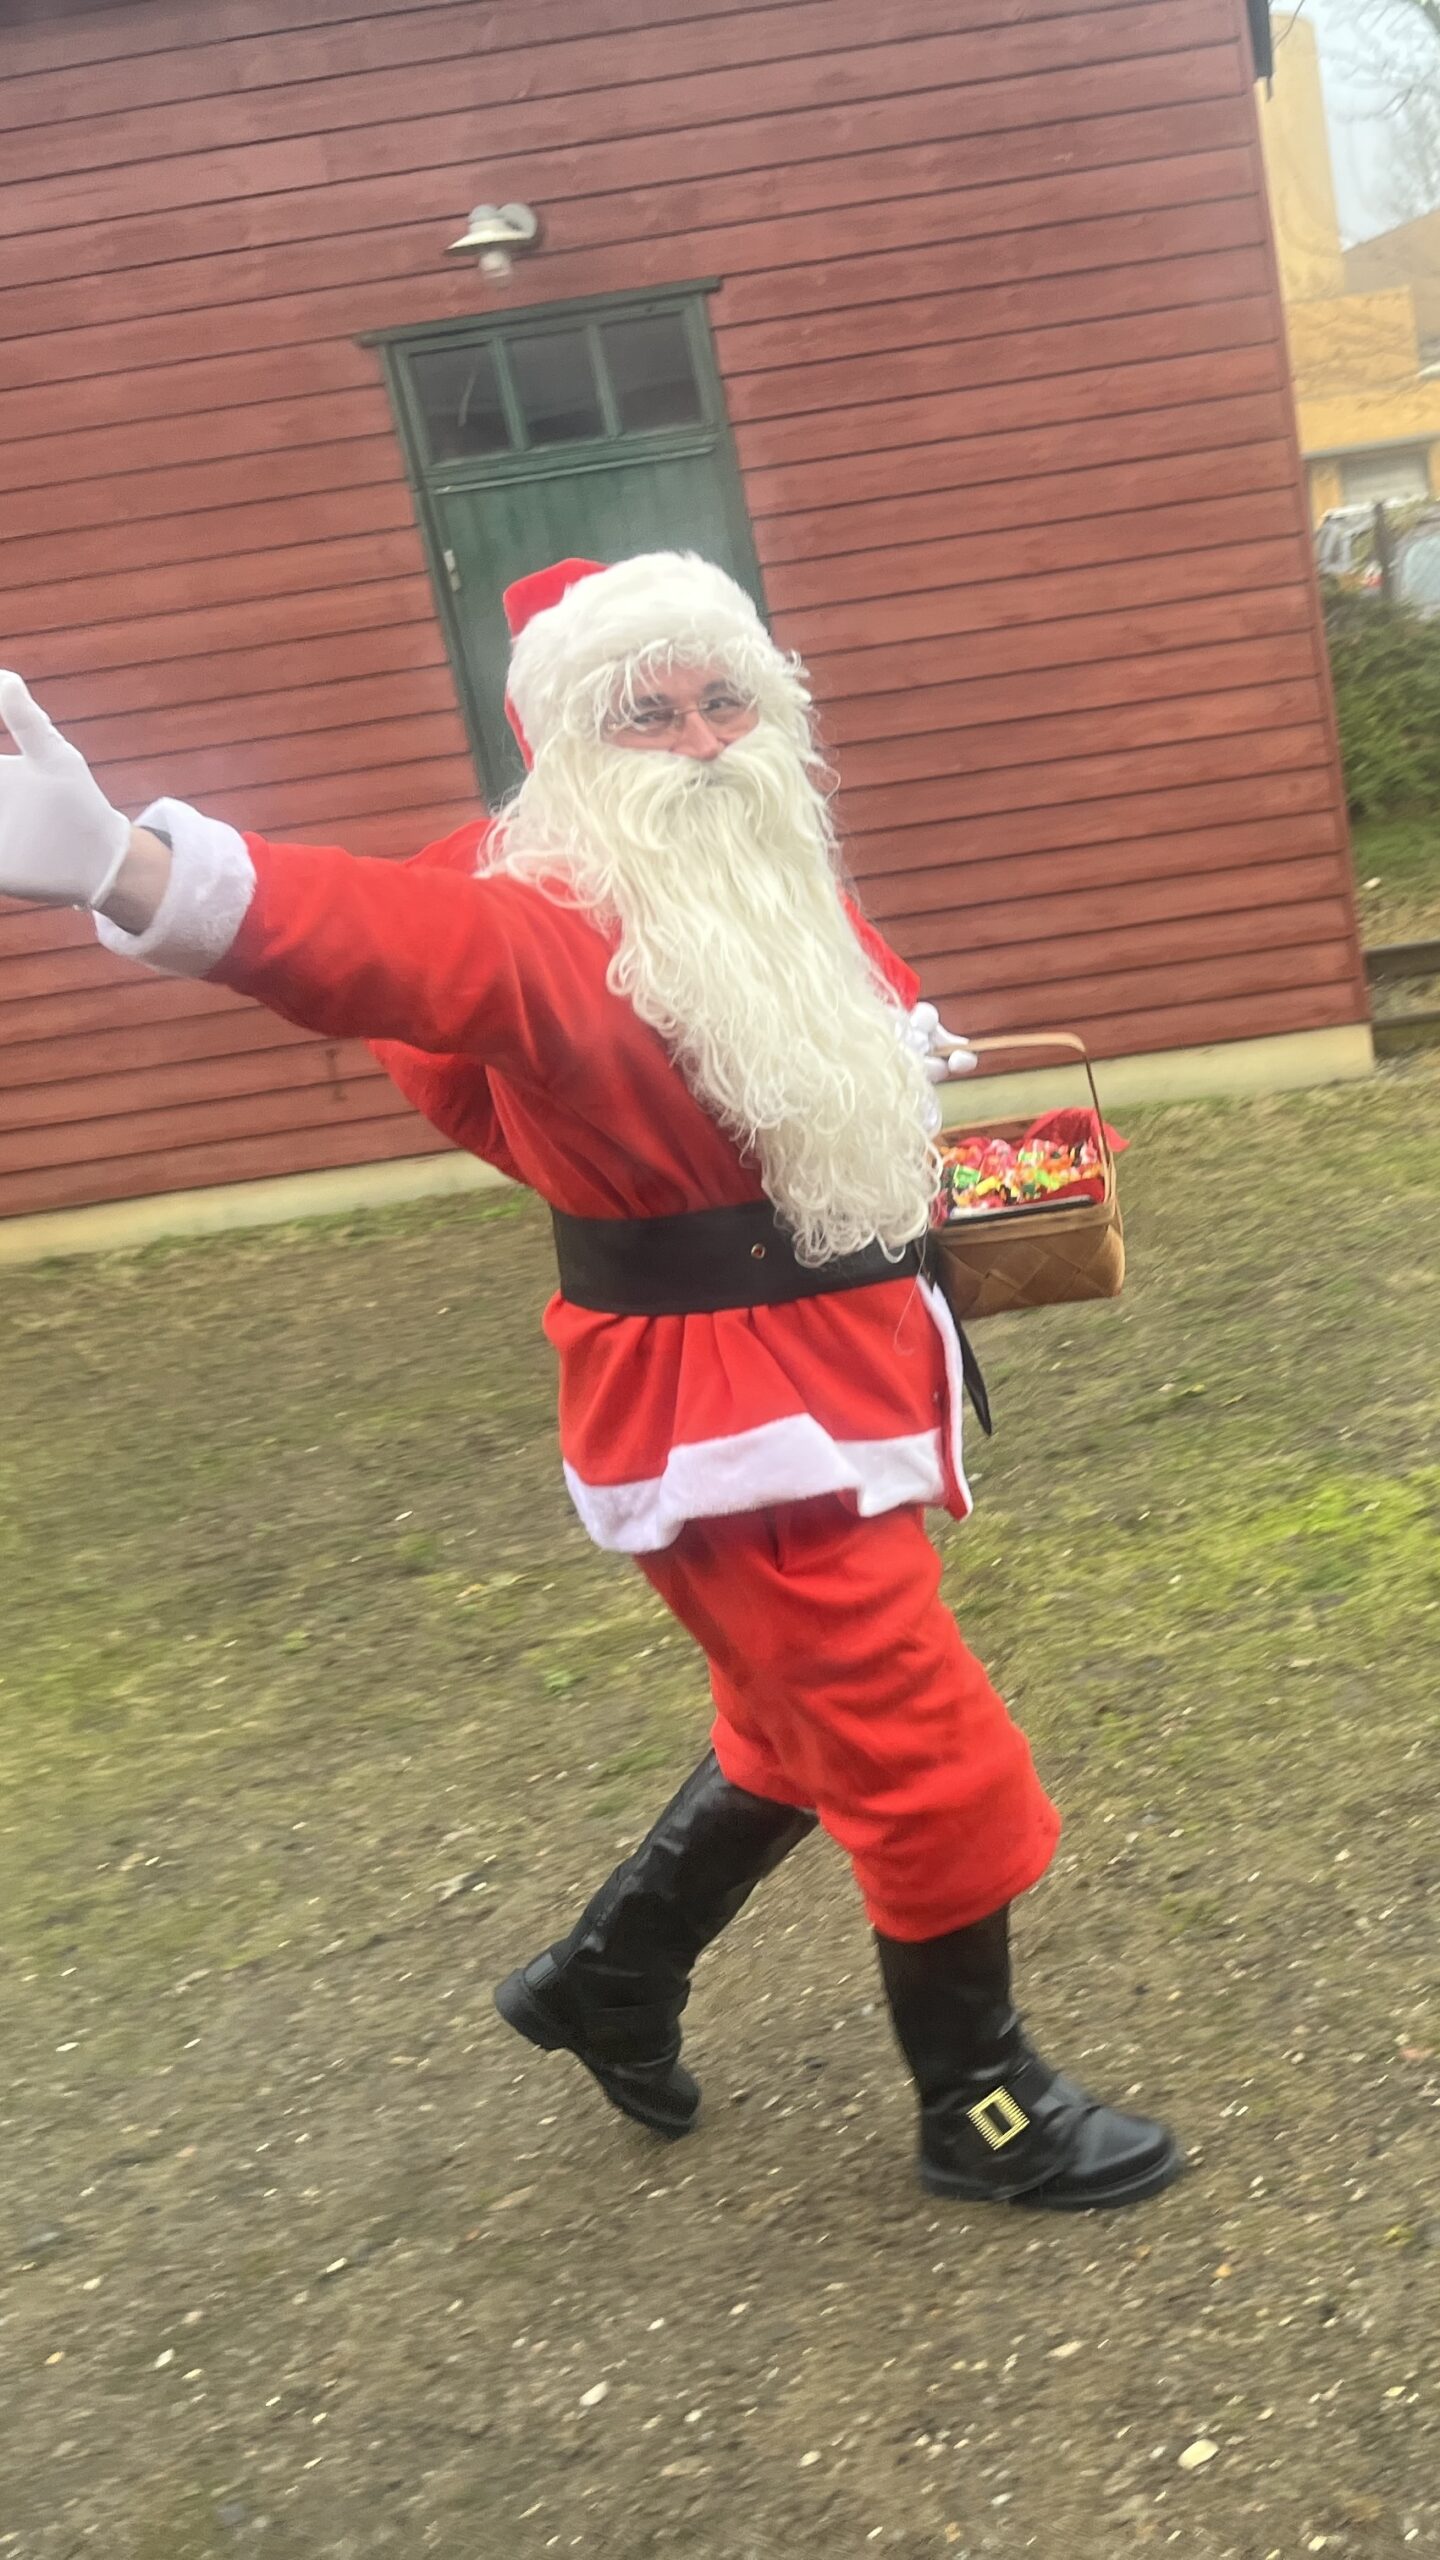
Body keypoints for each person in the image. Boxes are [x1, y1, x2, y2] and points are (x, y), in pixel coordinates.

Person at [0, 553, 1180, 2210]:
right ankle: (981, 2111)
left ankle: (604, 1982)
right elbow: (382, 949)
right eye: (650, 712)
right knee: (934, 1762)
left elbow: (831, 1057)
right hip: (732, 1431)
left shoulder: (770, 876)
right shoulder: (541, 922)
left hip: (838, 1376)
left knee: (788, 1726)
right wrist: (130, 866)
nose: (698, 741)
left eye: (720, 701)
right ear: (574, 737)